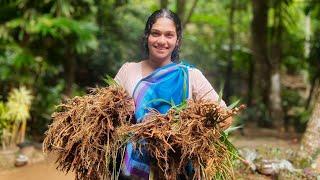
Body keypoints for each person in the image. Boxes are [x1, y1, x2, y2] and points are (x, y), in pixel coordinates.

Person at [114, 9, 232, 180]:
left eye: (169, 35)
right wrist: (122, 111)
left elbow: (225, 117)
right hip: (131, 169)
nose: (162, 40)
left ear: (177, 40)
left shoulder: (190, 76)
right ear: (147, 36)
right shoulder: (128, 71)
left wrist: (192, 130)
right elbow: (104, 114)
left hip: (177, 168)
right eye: (156, 34)